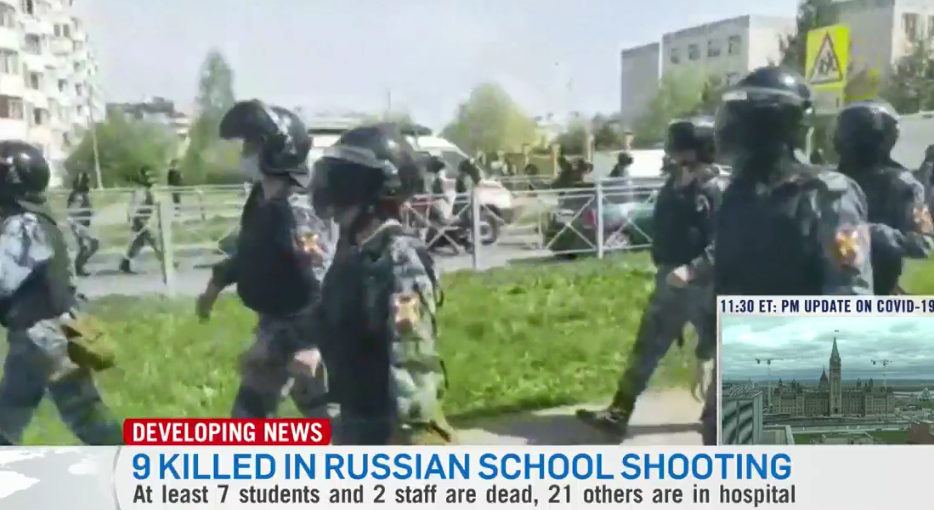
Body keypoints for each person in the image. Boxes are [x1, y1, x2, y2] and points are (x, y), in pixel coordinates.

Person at [713, 66, 874, 445]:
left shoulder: (827, 194)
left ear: (767, 122)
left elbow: (849, 293)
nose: (727, 126)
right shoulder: (738, 193)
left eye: (738, 114)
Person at [576, 117, 724, 439]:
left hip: (706, 284)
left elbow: (726, 240)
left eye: (681, 151)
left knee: (719, 350)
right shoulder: (674, 183)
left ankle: (717, 417)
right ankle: (618, 413)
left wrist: (695, 268)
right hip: (670, 279)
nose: (674, 156)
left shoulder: (716, 189)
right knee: (647, 345)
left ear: (698, 150)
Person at [305, 122, 453, 445]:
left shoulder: (399, 257)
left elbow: (413, 360)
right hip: (355, 417)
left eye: (345, 183)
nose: (334, 194)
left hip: (389, 428)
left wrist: (409, 436)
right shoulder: (353, 250)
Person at [195, 100, 333, 420]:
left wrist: (316, 344)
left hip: (306, 327)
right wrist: (215, 285)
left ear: (278, 150)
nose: (245, 153)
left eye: (251, 145)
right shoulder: (261, 198)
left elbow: (325, 278)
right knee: (250, 420)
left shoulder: (298, 208)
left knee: (333, 422)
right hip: (275, 324)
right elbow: (252, 250)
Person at [0, 141, 122, 445]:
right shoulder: (39, 218)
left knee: (83, 416)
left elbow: (3, 279)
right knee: (12, 415)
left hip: (41, 337)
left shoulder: (23, 224)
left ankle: (127, 462)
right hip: (48, 331)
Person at [833, 100, 934, 295]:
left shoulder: (902, 185)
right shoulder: (827, 182)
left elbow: (923, 244)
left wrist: (867, 232)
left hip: (880, 289)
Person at [120, 166, 163, 274]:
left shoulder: (148, 191)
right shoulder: (140, 191)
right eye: (148, 176)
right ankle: (166, 262)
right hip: (140, 220)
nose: (151, 179)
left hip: (144, 220)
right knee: (154, 241)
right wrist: (131, 219)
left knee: (139, 243)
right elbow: (134, 206)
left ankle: (125, 262)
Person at [66, 172, 99, 276]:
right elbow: (72, 211)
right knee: (93, 243)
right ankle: (77, 266)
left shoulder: (82, 195)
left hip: (82, 224)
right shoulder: (78, 196)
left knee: (85, 247)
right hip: (78, 224)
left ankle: (78, 267)